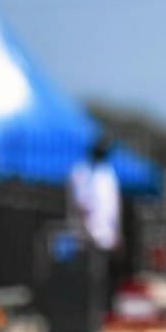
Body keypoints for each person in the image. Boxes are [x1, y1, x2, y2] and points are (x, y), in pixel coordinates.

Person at [67, 135, 123, 319]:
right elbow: (81, 202)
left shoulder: (108, 173)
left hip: (106, 235)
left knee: (104, 276)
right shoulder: (81, 172)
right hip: (85, 235)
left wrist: (116, 232)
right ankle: (83, 312)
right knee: (87, 276)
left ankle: (102, 312)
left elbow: (113, 206)